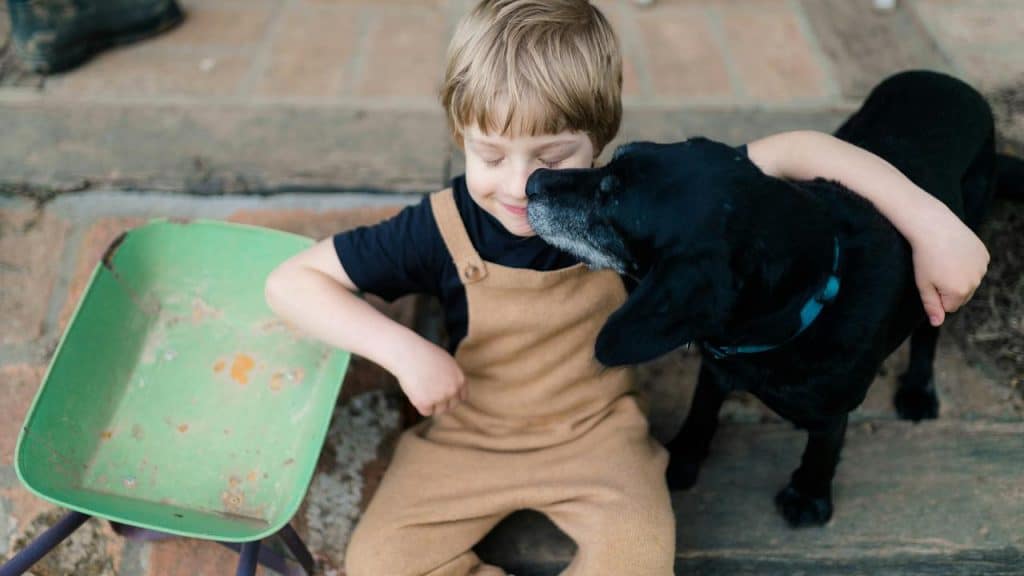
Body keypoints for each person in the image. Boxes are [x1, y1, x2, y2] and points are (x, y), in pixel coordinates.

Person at [264, 1, 988, 574]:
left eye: (554, 155)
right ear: (461, 136)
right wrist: (400, 348)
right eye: (490, 154)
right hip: (470, 439)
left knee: (642, 560)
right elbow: (293, 282)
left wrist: (932, 221)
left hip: (597, 437)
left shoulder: (639, 207)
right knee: (378, 563)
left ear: (600, 139)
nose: (521, 185)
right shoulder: (438, 228)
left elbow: (803, 151)